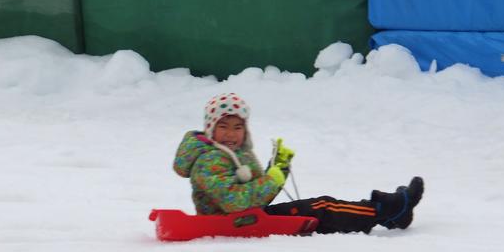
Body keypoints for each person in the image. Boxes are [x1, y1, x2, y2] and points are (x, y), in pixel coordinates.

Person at [173, 93, 424, 235]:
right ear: (210, 129)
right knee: (322, 208)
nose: (231, 133)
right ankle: (389, 210)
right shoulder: (209, 160)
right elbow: (235, 201)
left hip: (245, 219)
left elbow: (256, 196)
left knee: (321, 209)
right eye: (223, 126)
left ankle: (388, 213)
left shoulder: (236, 154)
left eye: (237, 127)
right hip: (233, 224)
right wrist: (273, 178)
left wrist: (277, 168)